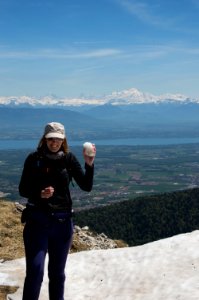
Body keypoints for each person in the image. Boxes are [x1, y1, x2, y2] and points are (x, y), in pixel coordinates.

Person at [18, 122, 95, 300]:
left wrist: (89, 165)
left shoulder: (68, 159)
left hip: (62, 223)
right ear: (44, 139)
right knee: (35, 272)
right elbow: (23, 189)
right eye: (51, 139)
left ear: (63, 140)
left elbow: (86, 186)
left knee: (58, 275)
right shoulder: (33, 159)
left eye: (58, 139)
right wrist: (39, 194)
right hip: (37, 221)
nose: (55, 143)